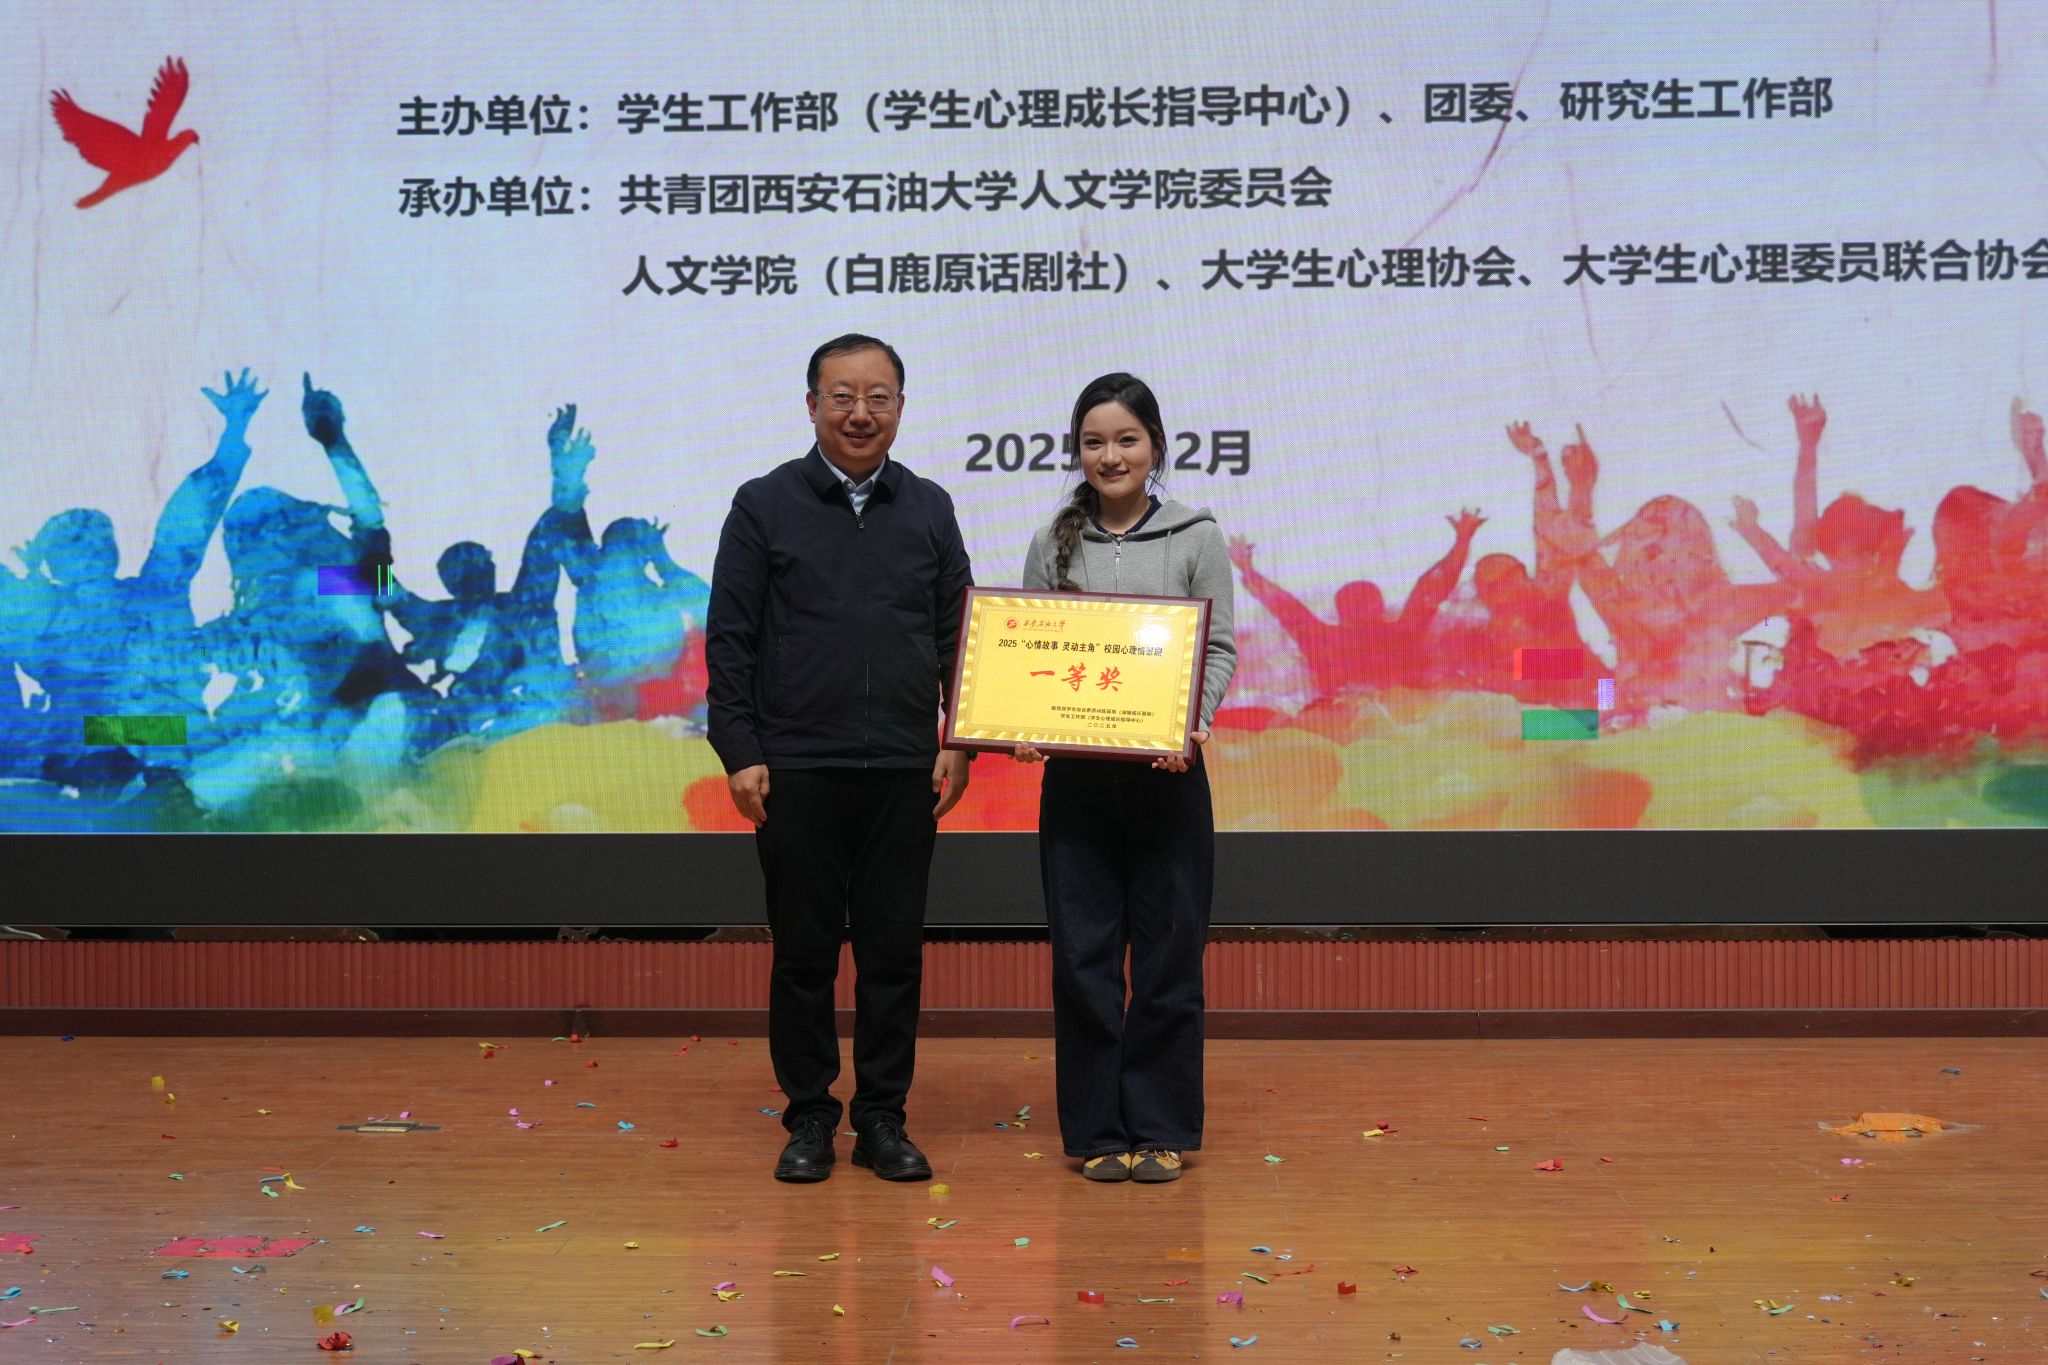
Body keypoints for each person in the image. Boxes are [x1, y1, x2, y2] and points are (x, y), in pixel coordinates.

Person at [706, 334, 974, 1183]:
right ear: (812, 404)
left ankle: (883, 1117)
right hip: (797, 767)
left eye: (879, 396)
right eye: (843, 395)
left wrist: (959, 739)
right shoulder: (763, 504)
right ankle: (811, 1116)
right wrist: (740, 749)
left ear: (901, 406)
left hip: (903, 768)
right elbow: (731, 638)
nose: (861, 412)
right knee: (805, 953)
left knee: (893, 954)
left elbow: (960, 636)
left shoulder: (929, 506)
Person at [1012, 373, 1236, 1183]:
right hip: (1076, 785)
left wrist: (1189, 724)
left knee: (1169, 959)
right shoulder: (1052, 540)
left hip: (1168, 780)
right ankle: (1099, 1131)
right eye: (1094, 442)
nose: (1111, 455)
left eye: (1126, 439)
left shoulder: (1197, 536)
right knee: (1084, 961)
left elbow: (1218, 648)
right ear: (1078, 452)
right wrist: (1026, 723)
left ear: (1156, 446)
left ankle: (1161, 1126)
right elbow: (1029, 651)